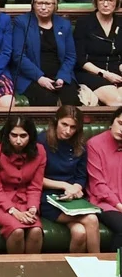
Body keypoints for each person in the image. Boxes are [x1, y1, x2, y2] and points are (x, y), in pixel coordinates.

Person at [39, 104, 101, 254]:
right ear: (56, 121)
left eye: (73, 127)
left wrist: (76, 188)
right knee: (91, 219)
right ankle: (100, 262)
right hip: (46, 198)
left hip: (71, 198)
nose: (68, 131)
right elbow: (35, 179)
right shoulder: (41, 140)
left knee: (80, 232)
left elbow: (81, 176)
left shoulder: (79, 144)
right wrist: (65, 185)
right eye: (64, 124)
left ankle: (76, 268)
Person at [0, 114, 46, 255]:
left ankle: (31, 268)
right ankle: (16, 268)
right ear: (7, 135)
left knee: (36, 230)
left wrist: (32, 208)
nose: (18, 141)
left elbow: (35, 186)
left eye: (23, 136)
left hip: (25, 200)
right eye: (14, 135)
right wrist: (14, 211)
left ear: (30, 136)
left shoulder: (40, 151)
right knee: (17, 231)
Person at [11, 0, 78, 106]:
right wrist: (39, 78)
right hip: (31, 76)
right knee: (47, 100)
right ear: (33, 4)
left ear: (55, 5)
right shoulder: (22, 22)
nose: (43, 7)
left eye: (48, 4)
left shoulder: (64, 24)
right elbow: (18, 56)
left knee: (70, 101)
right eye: (39, 3)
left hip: (60, 75)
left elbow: (70, 56)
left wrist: (62, 77)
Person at [74, 0, 122, 107]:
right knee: (117, 101)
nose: (105, 4)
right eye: (101, 0)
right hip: (92, 72)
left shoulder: (120, 23)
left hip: (117, 71)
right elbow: (80, 59)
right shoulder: (84, 23)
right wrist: (104, 73)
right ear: (96, 1)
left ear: (117, 3)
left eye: (110, 0)